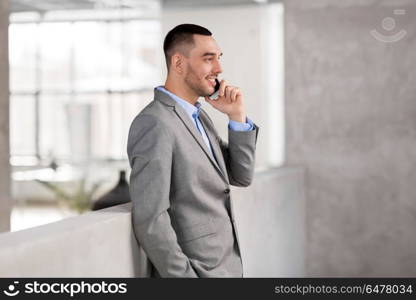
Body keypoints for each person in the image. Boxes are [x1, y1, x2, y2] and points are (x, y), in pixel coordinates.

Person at [127, 24, 259, 278]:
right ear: (178, 63)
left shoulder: (200, 117)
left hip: (227, 266)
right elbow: (150, 218)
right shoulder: (154, 123)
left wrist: (237, 116)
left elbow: (241, 175)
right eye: (208, 59)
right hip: (199, 272)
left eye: (218, 59)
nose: (219, 69)